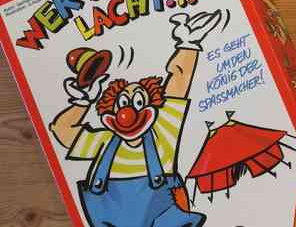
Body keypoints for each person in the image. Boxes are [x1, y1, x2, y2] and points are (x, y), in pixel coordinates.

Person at [49, 11, 221, 227]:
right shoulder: (103, 141)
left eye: (138, 102)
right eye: (122, 103)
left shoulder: (162, 130)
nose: (128, 112)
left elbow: (179, 80)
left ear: (152, 105)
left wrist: (189, 44)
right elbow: (61, 130)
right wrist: (84, 101)